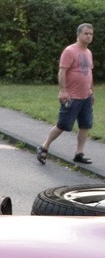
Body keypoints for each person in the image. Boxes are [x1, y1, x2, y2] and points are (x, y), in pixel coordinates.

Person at [37, 23, 95, 165]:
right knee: (62, 125)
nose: (88, 36)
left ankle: (79, 153)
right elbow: (62, 71)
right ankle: (44, 147)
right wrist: (63, 90)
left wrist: (91, 91)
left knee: (85, 125)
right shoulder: (70, 51)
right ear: (79, 34)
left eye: (91, 34)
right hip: (72, 96)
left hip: (86, 96)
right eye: (86, 33)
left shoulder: (88, 53)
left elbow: (89, 73)